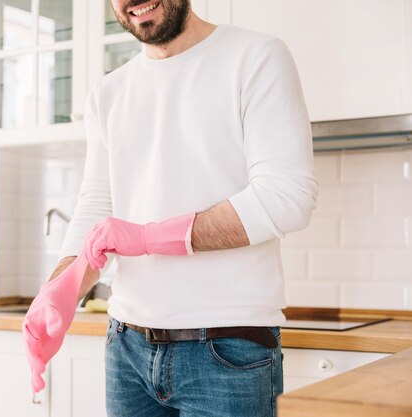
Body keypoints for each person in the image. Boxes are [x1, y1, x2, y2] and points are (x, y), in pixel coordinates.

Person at [42, 1, 318, 416]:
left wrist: (151, 237)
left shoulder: (255, 56)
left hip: (228, 348)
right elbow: (96, 205)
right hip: (126, 346)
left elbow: (287, 195)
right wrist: (56, 292)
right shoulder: (108, 93)